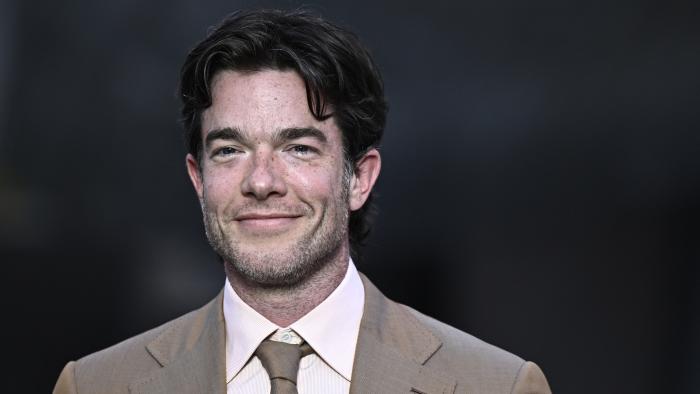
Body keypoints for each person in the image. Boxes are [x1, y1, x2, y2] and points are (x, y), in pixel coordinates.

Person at [54, 9, 551, 394]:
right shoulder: (97, 385)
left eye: (298, 148)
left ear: (359, 178)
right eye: (230, 150)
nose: (262, 181)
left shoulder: (494, 385)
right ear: (198, 178)